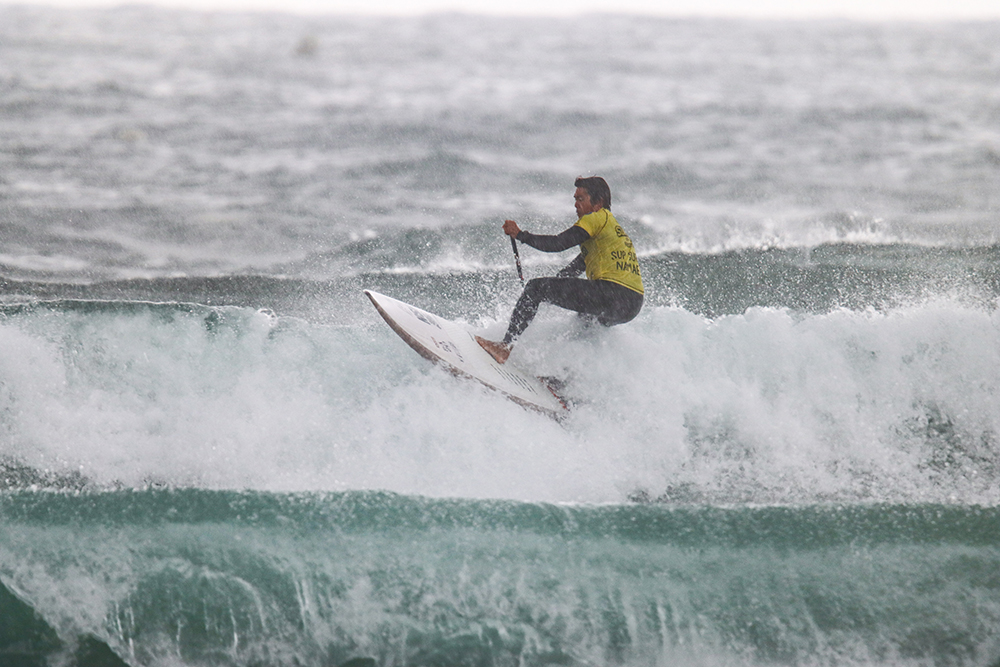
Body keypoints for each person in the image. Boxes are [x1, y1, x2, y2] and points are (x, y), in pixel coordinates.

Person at [477, 176, 644, 364]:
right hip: (631, 304)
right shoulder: (611, 229)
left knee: (535, 287)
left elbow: (558, 243)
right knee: (585, 324)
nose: (575, 205)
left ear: (598, 203)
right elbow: (575, 268)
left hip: (613, 293)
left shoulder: (596, 218)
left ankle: (504, 348)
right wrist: (554, 287)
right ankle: (569, 376)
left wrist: (520, 235)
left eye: (580, 199)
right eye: (575, 199)